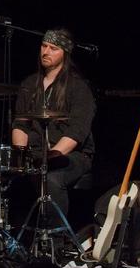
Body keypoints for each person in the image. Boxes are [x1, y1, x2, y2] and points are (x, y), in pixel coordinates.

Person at [11, 29, 96, 229]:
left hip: (71, 155)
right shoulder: (29, 85)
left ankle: (55, 239)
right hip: (36, 153)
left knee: (50, 179)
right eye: (44, 46)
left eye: (53, 48)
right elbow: (20, 125)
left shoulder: (78, 87)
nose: (46, 52)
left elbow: (77, 131)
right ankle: (16, 237)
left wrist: (50, 158)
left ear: (65, 53)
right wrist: (21, 157)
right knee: (6, 177)